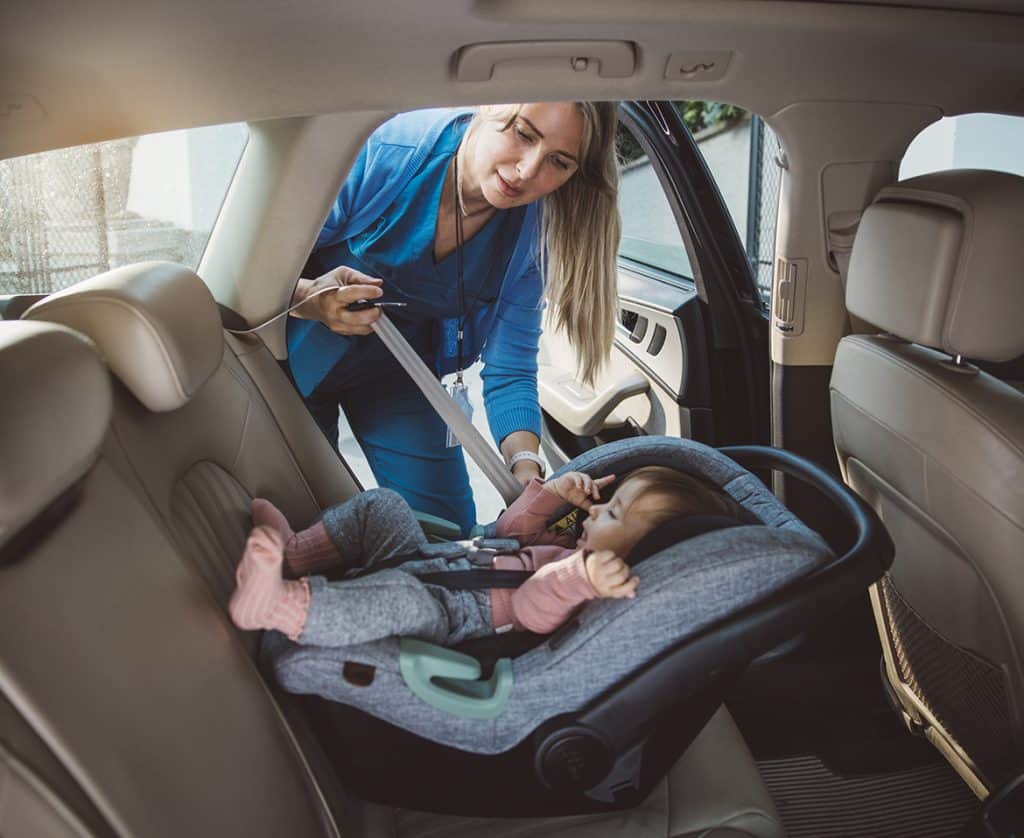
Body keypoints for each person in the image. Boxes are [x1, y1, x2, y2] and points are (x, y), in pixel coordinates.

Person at [285, 103, 621, 534]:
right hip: (287, 364)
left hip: (399, 375)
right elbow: (252, 270)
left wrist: (525, 469)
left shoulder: (530, 239)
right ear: (491, 102)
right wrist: (307, 298)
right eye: (523, 133)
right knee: (307, 521)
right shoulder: (385, 152)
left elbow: (511, 369)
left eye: (558, 161)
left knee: (451, 534)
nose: (526, 171)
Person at [228, 467, 744, 648]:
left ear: (630, 557)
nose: (598, 510)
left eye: (613, 515)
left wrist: (580, 576)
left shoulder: (575, 588)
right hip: (433, 561)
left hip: (449, 617)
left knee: (401, 599)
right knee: (385, 505)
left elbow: (530, 607)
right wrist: (553, 494)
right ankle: (296, 554)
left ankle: (278, 604)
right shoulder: (568, 545)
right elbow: (506, 533)